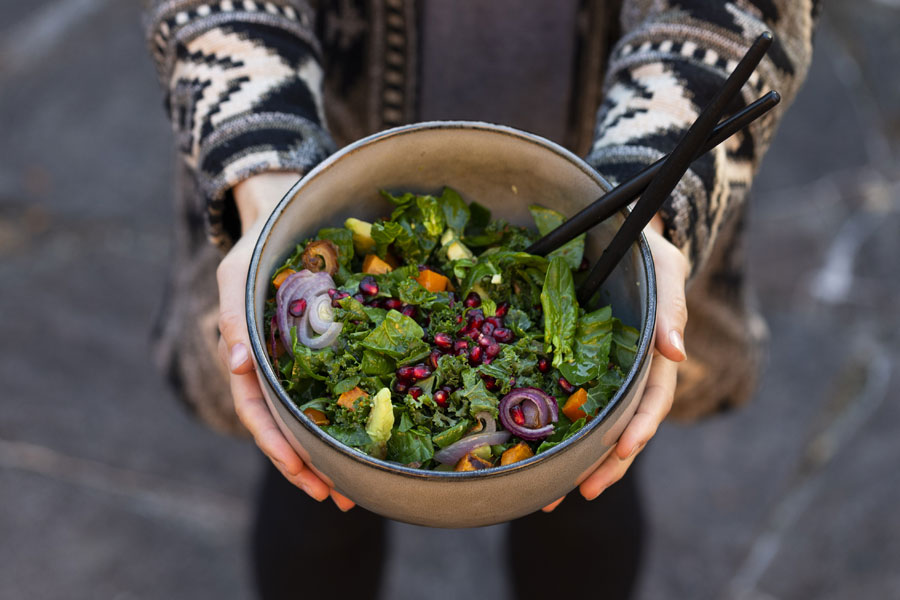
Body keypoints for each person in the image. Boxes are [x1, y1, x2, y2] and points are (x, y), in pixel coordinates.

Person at [144, 1, 818, 598]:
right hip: (333, 136)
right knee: (313, 482)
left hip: (607, 143)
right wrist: (270, 190)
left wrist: (656, 192)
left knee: (587, 477)